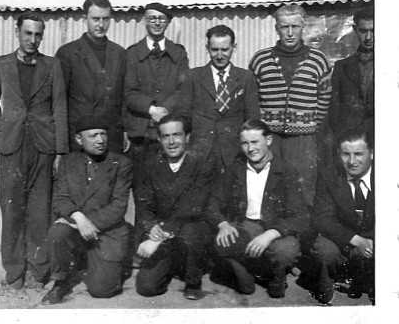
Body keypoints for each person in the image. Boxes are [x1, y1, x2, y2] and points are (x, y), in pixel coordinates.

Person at [0, 12, 68, 290]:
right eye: (27, 33)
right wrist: (5, 131)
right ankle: (14, 273)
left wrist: (60, 152)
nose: (32, 39)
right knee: (12, 213)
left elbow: (60, 109)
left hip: (43, 148)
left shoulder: (52, 66)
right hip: (12, 150)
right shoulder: (1, 64)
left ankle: (37, 273)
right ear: (17, 32)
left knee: (40, 213)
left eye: (37, 34)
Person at [205, 120, 309, 298]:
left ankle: (277, 277)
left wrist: (271, 234)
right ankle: (249, 270)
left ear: (268, 140)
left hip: (274, 229)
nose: (250, 148)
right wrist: (223, 224)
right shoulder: (236, 168)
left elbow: (301, 216)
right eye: (245, 143)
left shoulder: (286, 170)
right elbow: (212, 202)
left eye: (255, 142)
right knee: (224, 246)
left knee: (286, 250)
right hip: (246, 226)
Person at [42, 116, 132, 305]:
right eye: (93, 136)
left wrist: (81, 223)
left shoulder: (121, 163)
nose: (100, 140)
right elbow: (60, 199)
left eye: (103, 134)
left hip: (106, 233)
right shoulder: (68, 162)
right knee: (58, 232)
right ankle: (61, 281)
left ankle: (95, 266)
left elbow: (118, 208)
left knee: (103, 291)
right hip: (78, 225)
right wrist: (78, 217)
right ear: (78, 140)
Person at [249, 4, 332, 208]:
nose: (290, 32)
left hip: (303, 140)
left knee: (303, 188)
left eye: (295, 26)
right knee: (270, 187)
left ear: (303, 27)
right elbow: (253, 100)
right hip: (270, 139)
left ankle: (302, 233)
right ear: (276, 28)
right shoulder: (261, 60)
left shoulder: (318, 60)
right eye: (284, 27)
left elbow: (325, 98)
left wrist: (309, 125)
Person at [134, 115, 217, 300]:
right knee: (147, 287)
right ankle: (170, 266)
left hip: (190, 230)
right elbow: (143, 202)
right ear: (159, 139)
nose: (171, 142)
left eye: (177, 135)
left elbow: (193, 206)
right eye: (166, 136)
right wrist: (151, 226)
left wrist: (159, 236)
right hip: (163, 233)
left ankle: (193, 278)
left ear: (187, 137)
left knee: (192, 233)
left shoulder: (201, 163)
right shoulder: (150, 164)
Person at [303, 128, 374, 305]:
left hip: (375, 238)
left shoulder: (388, 174)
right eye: (346, 154)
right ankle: (326, 291)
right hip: (344, 237)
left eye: (358, 154)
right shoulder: (329, 175)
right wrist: (355, 239)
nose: (352, 161)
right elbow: (322, 218)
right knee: (323, 249)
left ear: (371, 154)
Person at [124, 2, 190, 180]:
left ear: (168, 22)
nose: (157, 23)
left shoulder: (178, 53)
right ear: (144, 21)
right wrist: (152, 110)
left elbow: (183, 89)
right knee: (141, 189)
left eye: (162, 18)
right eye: (152, 18)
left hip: (170, 134)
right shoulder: (132, 54)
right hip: (140, 135)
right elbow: (129, 92)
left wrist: (165, 112)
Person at [178, 25, 259, 168]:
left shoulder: (245, 78)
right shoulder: (193, 76)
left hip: (234, 153)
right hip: (201, 153)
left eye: (225, 49)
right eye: (215, 50)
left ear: (234, 47)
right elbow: (184, 116)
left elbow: (252, 118)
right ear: (207, 48)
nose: (220, 55)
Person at [56, 0, 129, 154]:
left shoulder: (120, 53)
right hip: (80, 139)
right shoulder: (68, 54)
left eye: (106, 19)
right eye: (95, 19)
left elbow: (123, 97)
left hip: (111, 137)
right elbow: (59, 102)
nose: (101, 25)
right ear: (85, 19)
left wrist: (124, 130)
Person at [328, 6, 374, 139]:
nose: (368, 37)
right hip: (350, 142)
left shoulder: (391, 67)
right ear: (355, 30)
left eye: (374, 30)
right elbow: (334, 111)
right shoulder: (341, 67)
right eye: (363, 31)